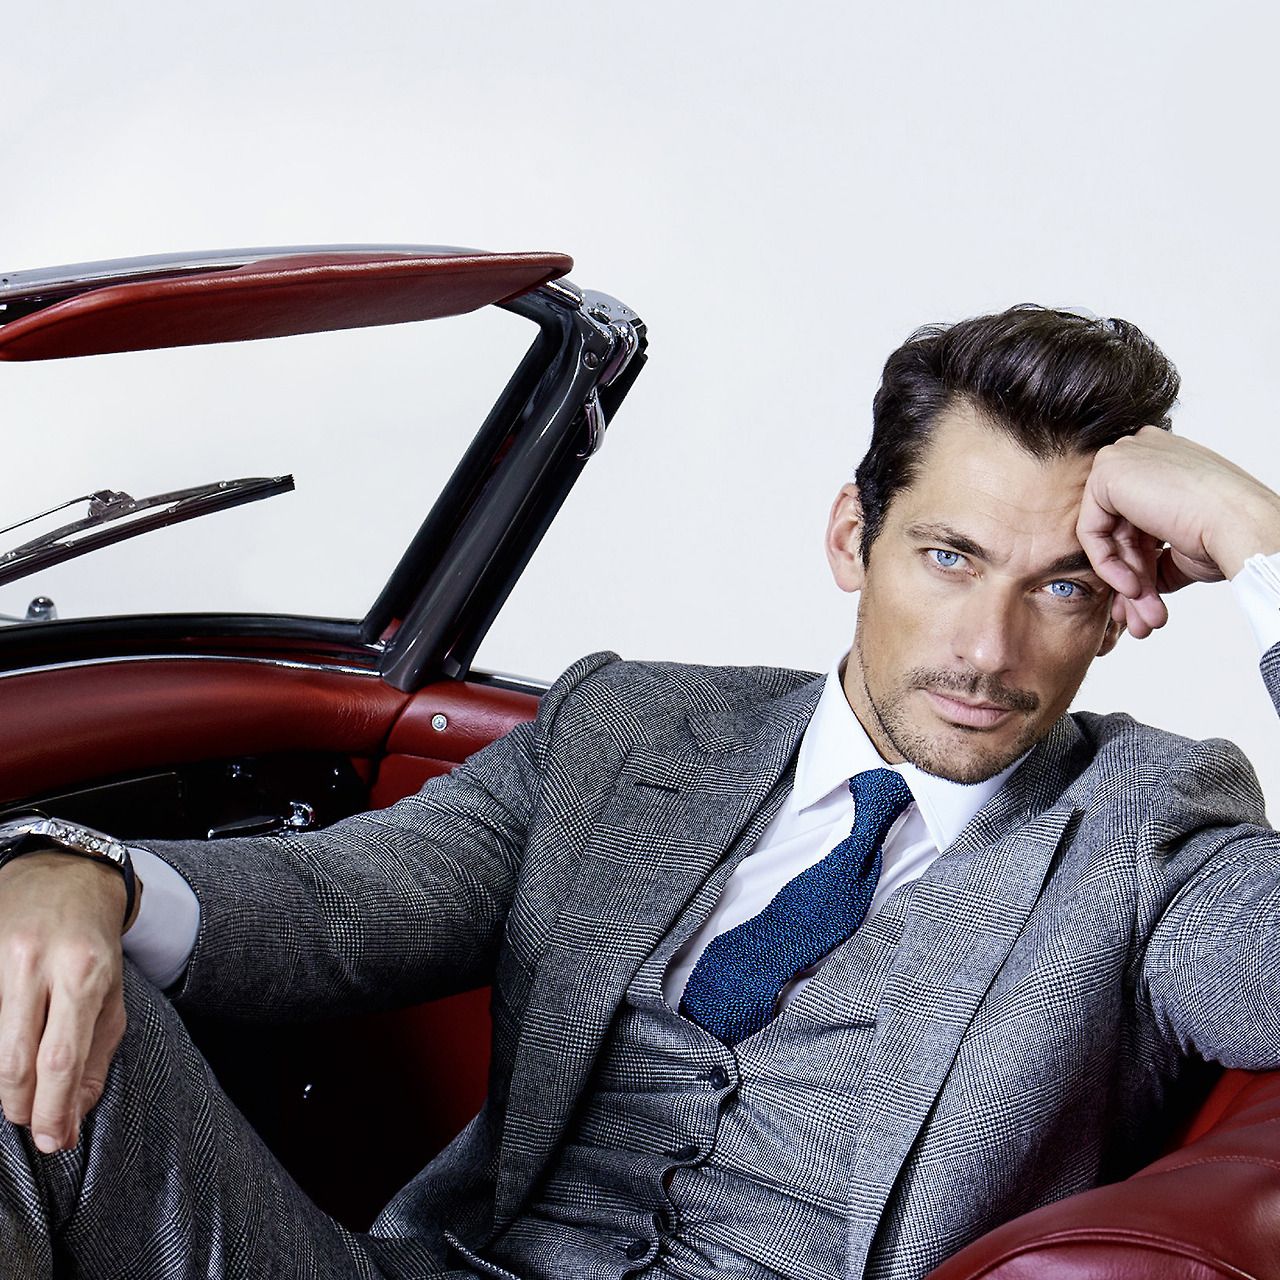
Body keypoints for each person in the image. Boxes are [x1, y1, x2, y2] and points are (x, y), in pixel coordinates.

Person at [1, 305, 1278, 1280]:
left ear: (1117, 604)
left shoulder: (1149, 824)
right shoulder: (628, 726)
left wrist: (1255, 530)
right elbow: (338, 899)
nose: (987, 651)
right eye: (948, 556)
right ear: (852, 536)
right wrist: (78, 869)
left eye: (1058, 587)